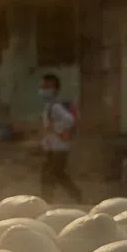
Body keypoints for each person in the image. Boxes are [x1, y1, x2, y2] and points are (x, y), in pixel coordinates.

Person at [40, 73, 83, 203]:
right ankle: (76, 196)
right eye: (42, 86)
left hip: (60, 147)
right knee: (58, 174)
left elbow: (70, 120)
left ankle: (47, 201)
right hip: (53, 147)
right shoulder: (49, 106)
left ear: (54, 89)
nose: (43, 90)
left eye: (46, 87)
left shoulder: (56, 106)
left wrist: (55, 127)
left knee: (49, 175)